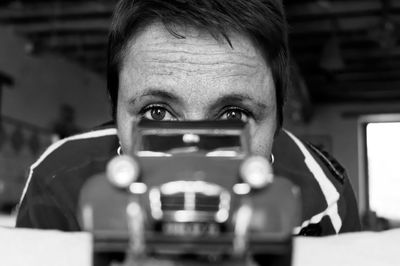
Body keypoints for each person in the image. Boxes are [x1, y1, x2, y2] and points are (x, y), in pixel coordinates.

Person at [16, 0, 360, 236]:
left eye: (235, 114)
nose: (195, 154)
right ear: (115, 110)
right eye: (157, 112)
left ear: (279, 119)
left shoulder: (322, 196)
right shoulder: (58, 183)